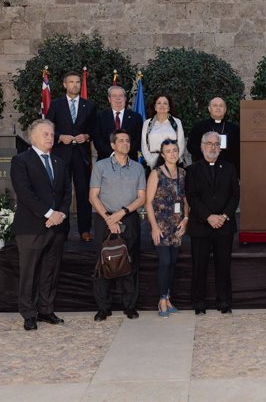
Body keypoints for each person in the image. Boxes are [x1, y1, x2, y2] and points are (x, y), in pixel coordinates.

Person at [10, 119, 71, 331]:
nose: (50, 137)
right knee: (30, 272)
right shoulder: (21, 161)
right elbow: (25, 193)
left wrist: (60, 213)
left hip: (57, 227)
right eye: (45, 134)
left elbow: (65, 192)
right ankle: (28, 313)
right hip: (31, 227)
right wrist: (48, 213)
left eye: (52, 134)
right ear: (33, 137)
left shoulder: (59, 162)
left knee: (50, 271)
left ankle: (46, 309)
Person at [89, 129, 146, 321]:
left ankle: (130, 306)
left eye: (128, 141)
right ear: (113, 145)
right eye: (121, 141)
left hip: (128, 218)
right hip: (103, 219)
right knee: (103, 263)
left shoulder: (138, 168)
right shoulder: (101, 166)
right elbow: (93, 196)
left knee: (130, 263)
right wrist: (109, 218)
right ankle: (103, 308)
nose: (125, 144)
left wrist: (122, 213)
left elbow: (142, 198)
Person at [185, 131, 240, 315]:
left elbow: (235, 195)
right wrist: (208, 216)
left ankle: (224, 301)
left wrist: (223, 216)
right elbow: (191, 197)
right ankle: (199, 303)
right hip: (201, 226)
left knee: (223, 266)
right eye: (209, 144)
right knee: (199, 265)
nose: (213, 147)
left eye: (216, 144)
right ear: (202, 146)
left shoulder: (230, 168)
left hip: (224, 226)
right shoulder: (192, 170)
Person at [45, 70, 97, 242]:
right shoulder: (56, 104)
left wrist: (87, 136)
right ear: (64, 85)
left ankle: (85, 230)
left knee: (83, 193)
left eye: (77, 82)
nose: (75, 85)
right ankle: (62, 229)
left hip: (81, 156)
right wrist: (60, 137)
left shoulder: (88, 105)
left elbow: (94, 129)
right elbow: (49, 128)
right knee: (61, 192)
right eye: (71, 82)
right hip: (61, 156)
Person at [146, 139, 189, 317]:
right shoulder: (156, 173)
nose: (172, 153)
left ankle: (168, 297)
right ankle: (162, 299)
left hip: (177, 225)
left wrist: (186, 219)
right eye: (168, 151)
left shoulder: (183, 173)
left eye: (174, 150)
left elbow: (186, 200)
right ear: (162, 155)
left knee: (172, 262)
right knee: (164, 262)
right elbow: (148, 203)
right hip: (161, 225)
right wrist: (154, 228)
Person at [187, 97, 241, 177]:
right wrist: (207, 153)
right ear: (209, 108)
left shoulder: (234, 129)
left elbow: (238, 150)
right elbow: (191, 146)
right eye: (215, 105)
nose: (218, 108)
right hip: (204, 170)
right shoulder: (199, 127)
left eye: (221, 106)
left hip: (227, 171)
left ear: (225, 109)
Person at [94, 86, 143, 162]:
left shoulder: (136, 117)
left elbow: (138, 140)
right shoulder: (100, 116)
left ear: (125, 98)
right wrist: (114, 154)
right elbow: (97, 140)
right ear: (109, 99)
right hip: (106, 161)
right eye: (114, 96)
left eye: (121, 96)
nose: (118, 98)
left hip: (129, 160)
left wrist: (124, 153)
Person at [141, 94, 185, 169]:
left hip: (173, 163)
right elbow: (144, 145)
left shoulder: (176, 122)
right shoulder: (147, 123)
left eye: (165, 103)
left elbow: (181, 144)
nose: (162, 105)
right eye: (159, 103)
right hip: (153, 163)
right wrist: (152, 163)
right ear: (155, 107)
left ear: (169, 107)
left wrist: (172, 161)